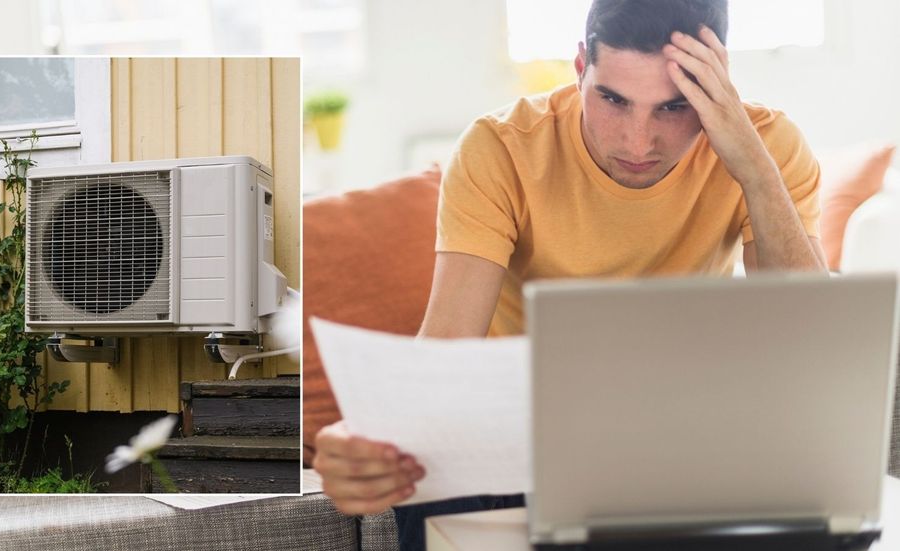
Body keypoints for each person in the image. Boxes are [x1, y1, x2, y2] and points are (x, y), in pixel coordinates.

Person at [313, 0, 828, 548]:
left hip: (675, 431)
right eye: (612, 99)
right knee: (441, 480)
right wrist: (361, 437)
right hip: (516, 438)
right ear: (581, 67)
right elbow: (443, 353)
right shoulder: (501, 148)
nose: (637, 142)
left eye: (674, 108)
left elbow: (814, 344)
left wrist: (751, 165)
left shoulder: (766, 149)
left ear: (717, 87)